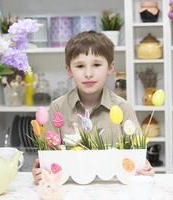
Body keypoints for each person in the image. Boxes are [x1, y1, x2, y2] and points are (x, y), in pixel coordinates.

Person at [32, 31, 154, 184]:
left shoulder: (123, 108)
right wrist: (42, 171)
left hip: (113, 191)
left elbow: (136, 156)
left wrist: (143, 167)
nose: (88, 74)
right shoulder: (57, 108)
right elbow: (49, 159)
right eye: (80, 66)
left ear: (110, 68)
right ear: (69, 70)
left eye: (96, 65)